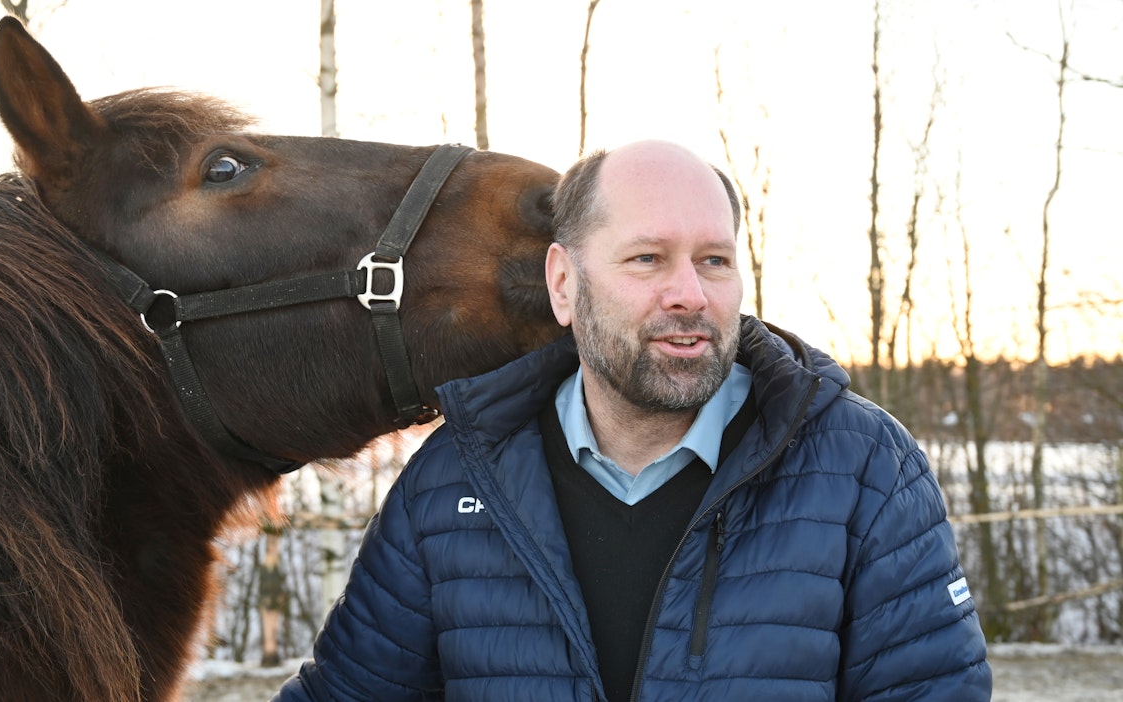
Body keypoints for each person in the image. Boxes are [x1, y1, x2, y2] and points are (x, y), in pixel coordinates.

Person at [273, 140, 992, 701]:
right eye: (647, 259)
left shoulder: (864, 469)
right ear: (564, 283)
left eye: (714, 261)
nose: (689, 294)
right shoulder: (455, 482)